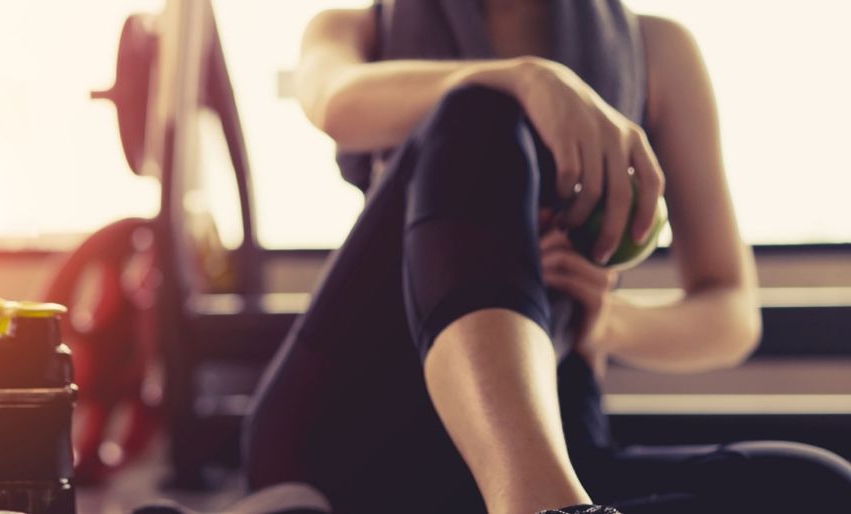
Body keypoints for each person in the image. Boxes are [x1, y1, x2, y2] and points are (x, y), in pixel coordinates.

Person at [241, 1, 851, 513]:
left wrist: (609, 321)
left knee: (817, 490)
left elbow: (732, 313)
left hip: (561, 433)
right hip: (351, 431)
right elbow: (333, 103)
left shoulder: (659, 51)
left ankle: (551, 499)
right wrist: (526, 78)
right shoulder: (356, 27)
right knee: (480, 109)